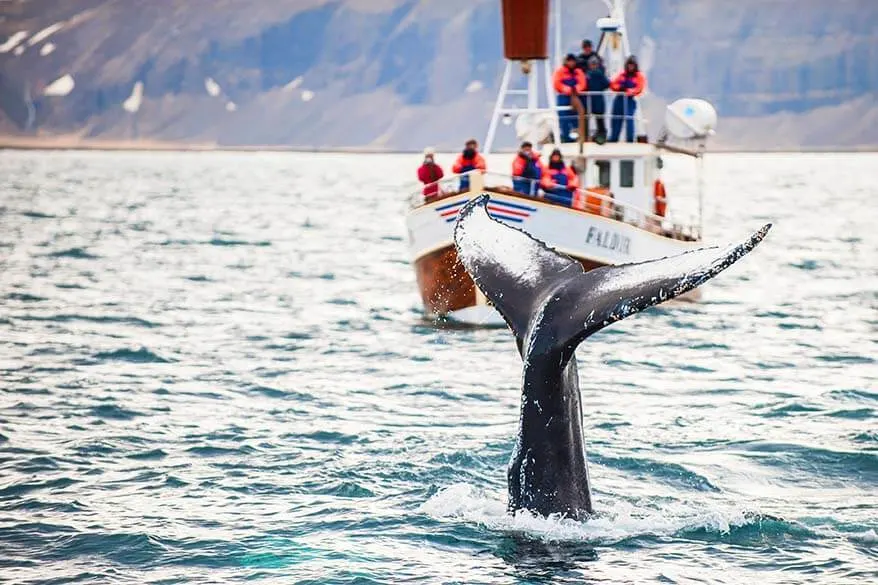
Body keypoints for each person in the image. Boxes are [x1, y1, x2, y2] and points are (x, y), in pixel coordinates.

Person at [609, 55, 647, 142]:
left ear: (635, 66)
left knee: (629, 119)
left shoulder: (638, 76)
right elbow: (613, 84)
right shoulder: (622, 75)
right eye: (629, 65)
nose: (630, 67)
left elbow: (639, 88)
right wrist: (619, 87)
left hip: (629, 100)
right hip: (619, 100)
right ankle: (614, 138)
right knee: (616, 120)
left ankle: (630, 139)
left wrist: (629, 91)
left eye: (632, 65)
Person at [552, 54, 586, 143]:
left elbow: (582, 83)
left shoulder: (578, 72)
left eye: (573, 61)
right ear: (566, 61)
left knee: (575, 118)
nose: (571, 63)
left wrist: (576, 89)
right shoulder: (560, 72)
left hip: (575, 97)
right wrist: (566, 89)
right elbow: (557, 83)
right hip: (563, 97)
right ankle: (565, 137)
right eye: (569, 61)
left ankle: (577, 136)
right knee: (563, 118)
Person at [583, 55, 610, 141]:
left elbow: (606, 84)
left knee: (598, 118)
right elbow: (606, 84)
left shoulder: (589, 75)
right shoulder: (597, 74)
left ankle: (594, 135)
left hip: (595, 99)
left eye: (594, 64)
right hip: (594, 99)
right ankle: (595, 135)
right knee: (593, 118)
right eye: (592, 64)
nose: (593, 66)